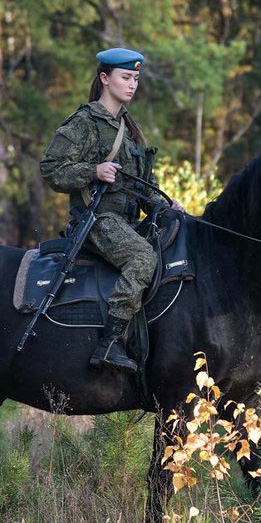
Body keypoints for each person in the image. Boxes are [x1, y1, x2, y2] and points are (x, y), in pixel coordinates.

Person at [40, 47, 182, 374]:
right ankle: (111, 343)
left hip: (129, 223)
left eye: (136, 79)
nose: (132, 85)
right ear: (105, 79)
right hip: (97, 221)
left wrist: (165, 205)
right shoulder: (85, 122)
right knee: (143, 258)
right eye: (125, 78)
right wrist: (93, 171)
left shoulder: (129, 129)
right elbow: (50, 169)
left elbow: (143, 185)